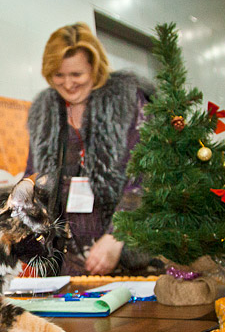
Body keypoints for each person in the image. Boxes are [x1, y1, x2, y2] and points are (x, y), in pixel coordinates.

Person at [24, 23, 153, 275]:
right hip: (65, 261)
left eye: (76, 75)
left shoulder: (127, 100)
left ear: (95, 68)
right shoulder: (44, 111)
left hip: (123, 255)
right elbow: (33, 176)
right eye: (58, 76)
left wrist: (117, 237)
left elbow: (146, 173)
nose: (68, 84)